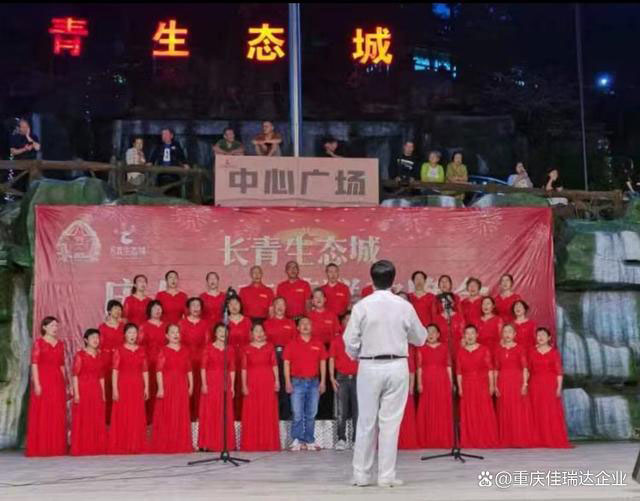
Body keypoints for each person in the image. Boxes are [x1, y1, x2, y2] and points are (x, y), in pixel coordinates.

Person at [343, 259, 427, 487]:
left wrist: (357, 355)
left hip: (369, 365)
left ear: (372, 280)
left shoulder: (362, 306)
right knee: (390, 423)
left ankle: (361, 475)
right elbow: (420, 337)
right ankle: (386, 476)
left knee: (366, 421)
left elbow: (349, 340)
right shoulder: (404, 306)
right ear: (393, 280)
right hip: (397, 364)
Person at [283, 316, 327, 451]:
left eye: (308, 323)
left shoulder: (318, 343)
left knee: (311, 413)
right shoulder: (291, 344)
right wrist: (287, 382)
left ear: (312, 327)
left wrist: (323, 382)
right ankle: (297, 439)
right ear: (298, 328)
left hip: (314, 382)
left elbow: (323, 362)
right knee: (297, 413)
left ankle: (309, 440)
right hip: (297, 382)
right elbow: (286, 363)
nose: (305, 326)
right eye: (302, 324)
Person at [26, 316, 67, 457]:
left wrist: (65, 382)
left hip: (57, 380)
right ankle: (42, 446)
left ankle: (56, 446)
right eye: (52, 325)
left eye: (56, 325)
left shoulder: (60, 344)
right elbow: (34, 364)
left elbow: (62, 365)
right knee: (43, 412)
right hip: (43, 379)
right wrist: (37, 383)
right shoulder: (39, 343)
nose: (55, 328)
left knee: (56, 412)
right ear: (44, 327)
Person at [150, 324, 194, 453]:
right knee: (168, 411)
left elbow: (189, 370)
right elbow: (159, 370)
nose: (175, 334)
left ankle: (180, 442)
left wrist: (191, 385)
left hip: (181, 384)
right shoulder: (163, 350)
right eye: (172, 332)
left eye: (177, 332)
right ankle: (167, 441)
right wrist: (160, 388)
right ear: (167, 336)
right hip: (168, 384)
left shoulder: (185, 350)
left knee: (181, 411)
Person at [108, 323, 149, 454]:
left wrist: (146, 387)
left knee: (136, 413)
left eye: (135, 333)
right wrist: (115, 389)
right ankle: (123, 442)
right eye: (130, 332)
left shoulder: (141, 350)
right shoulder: (119, 350)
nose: (133, 335)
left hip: (137, 384)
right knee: (123, 413)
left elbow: (145, 370)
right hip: (123, 384)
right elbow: (115, 371)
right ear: (125, 334)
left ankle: (136, 443)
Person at [456, 325, 499, 448]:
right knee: (469, 412)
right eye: (467, 333)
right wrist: (460, 387)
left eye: (472, 333)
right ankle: (470, 439)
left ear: (477, 335)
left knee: (483, 411)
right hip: (467, 384)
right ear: (464, 336)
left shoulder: (484, 350)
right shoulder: (461, 351)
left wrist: (492, 385)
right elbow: (459, 372)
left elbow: (490, 369)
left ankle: (485, 438)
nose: (469, 336)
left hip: (482, 384)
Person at [494, 324, 536, 448]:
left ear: (514, 334)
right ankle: (507, 439)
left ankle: (520, 438)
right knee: (505, 408)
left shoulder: (520, 348)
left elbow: (525, 368)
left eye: (510, 331)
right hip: (503, 381)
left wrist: (525, 383)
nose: (507, 334)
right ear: (502, 334)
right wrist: (495, 385)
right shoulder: (498, 350)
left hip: (517, 381)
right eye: (505, 331)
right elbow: (496, 369)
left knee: (518, 409)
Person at [528, 327, 571, 448]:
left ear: (549, 337)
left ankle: (552, 437)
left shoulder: (553, 352)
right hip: (535, 384)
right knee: (536, 410)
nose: (540, 337)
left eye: (543, 335)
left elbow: (559, 372)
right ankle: (537, 438)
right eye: (538, 335)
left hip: (550, 384)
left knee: (550, 411)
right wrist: (525, 384)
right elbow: (528, 370)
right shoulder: (532, 352)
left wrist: (558, 388)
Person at [241, 323, 280, 451]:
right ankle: (252, 443)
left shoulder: (269, 347)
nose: (258, 333)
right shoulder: (246, 348)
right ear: (251, 334)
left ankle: (268, 442)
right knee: (252, 410)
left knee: (267, 409)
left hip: (267, 380)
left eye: (261, 331)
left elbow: (274, 365)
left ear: (264, 333)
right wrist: (244, 385)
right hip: (252, 381)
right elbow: (243, 369)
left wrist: (277, 381)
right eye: (256, 331)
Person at [199, 323, 236, 452]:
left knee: (224, 411)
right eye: (220, 331)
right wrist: (204, 384)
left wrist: (232, 386)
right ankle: (208, 443)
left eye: (225, 331)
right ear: (215, 333)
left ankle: (225, 443)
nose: (222, 333)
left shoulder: (230, 349)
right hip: (211, 381)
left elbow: (232, 369)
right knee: (210, 410)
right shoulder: (208, 348)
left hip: (225, 381)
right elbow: (203, 368)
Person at [71, 328, 107, 456]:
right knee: (84, 417)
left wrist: (103, 394)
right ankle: (83, 446)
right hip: (84, 389)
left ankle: (95, 445)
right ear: (86, 340)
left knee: (95, 417)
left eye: (97, 337)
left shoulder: (100, 355)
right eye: (92, 338)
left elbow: (101, 376)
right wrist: (76, 393)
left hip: (96, 389)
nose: (96, 340)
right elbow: (75, 375)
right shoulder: (80, 355)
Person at [416, 324, 453, 448]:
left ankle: (442, 438)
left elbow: (448, 366)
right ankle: (428, 439)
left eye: (433, 332)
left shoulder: (444, 348)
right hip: (427, 380)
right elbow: (419, 368)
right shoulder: (421, 349)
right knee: (428, 407)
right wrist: (419, 383)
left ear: (438, 334)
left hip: (442, 380)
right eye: (428, 332)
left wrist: (451, 383)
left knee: (442, 408)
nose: (430, 334)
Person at [329, 312, 358, 451]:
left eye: (352, 319)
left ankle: (357, 440)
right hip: (342, 378)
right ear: (342, 323)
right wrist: (331, 377)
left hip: (358, 378)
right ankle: (341, 439)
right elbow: (331, 359)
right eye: (347, 319)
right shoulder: (336, 340)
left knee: (358, 411)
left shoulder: (360, 339)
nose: (349, 321)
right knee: (342, 411)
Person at [264, 297, 296, 420]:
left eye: (283, 304)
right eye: (278, 304)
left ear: (286, 307)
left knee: (286, 385)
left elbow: (294, 343)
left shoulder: (291, 323)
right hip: (271, 358)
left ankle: (286, 415)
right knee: (273, 386)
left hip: (287, 358)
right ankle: (272, 414)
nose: (280, 307)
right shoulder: (267, 324)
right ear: (273, 307)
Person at [179, 297, 209, 421]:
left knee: (200, 387)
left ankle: (198, 417)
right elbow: (177, 342)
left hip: (201, 361)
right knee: (185, 388)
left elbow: (207, 344)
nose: (196, 308)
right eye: (193, 305)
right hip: (185, 360)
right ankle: (185, 418)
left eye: (198, 305)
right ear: (188, 308)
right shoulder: (181, 323)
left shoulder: (205, 324)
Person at [139, 300, 166, 424]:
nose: (157, 310)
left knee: (163, 389)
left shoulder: (167, 326)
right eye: (155, 308)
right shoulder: (144, 326)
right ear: (149, 310)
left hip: (164, 363)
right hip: (148, 363)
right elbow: (139, 345)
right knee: (149, 389)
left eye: (159, 308)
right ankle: (148, 421)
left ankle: (162, 419)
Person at [99, 299, 125, 424]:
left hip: (122, 361)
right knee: (107, 389)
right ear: (109, 311)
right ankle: (106, 420)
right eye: (115, 308)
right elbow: (98, 346)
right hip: (106, 360)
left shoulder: (124, 327)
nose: (118, 311)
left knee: (120, 389)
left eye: (119, 309)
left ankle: (119, 420)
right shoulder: (102, 327)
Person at [227, 296, 252, 418]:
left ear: (240, 305)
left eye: (236, 303)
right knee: (230, 385)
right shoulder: (224, 321)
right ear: (227, 306)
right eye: (231, 304)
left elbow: (251, 340)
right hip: (229, 358)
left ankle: (244, 416)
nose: (234, 306)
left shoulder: (247, 321)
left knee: (244, 385)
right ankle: (230, 416)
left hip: (245, 358)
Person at [397, 345, 419, 449]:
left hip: (405, 385)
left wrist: (411, 386)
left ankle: (406, 439)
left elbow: (412, 370)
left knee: (406, 413)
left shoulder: (408, 350)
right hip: (393, 384)